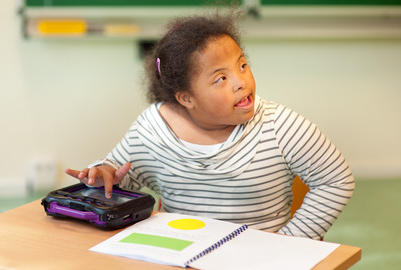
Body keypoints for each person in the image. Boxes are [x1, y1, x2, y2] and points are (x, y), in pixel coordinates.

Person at [65, 13, 355, 240]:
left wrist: (291, 242)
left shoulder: (281, 125)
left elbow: (336, 180)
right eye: (221, 79)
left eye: (242, 66)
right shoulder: (152, 129)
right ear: (186, 98)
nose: (242, 81)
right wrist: (104, 173)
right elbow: (119, 178)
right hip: (180, 253)